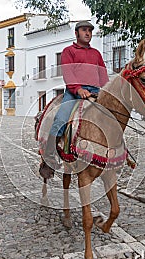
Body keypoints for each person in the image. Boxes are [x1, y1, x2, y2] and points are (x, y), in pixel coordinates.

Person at [44, 21, 109, 168]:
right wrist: (78, 89)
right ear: (76, 33)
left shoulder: (96, 53)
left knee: (112, 119)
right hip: (74, 93)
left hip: (95, 92)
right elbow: (68, 73)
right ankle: (49, 157)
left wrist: (106, 91)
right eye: (84, 30)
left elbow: (103, 75)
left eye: (90, 31)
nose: (87, 33)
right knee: (60, 120)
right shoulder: (69, 51)